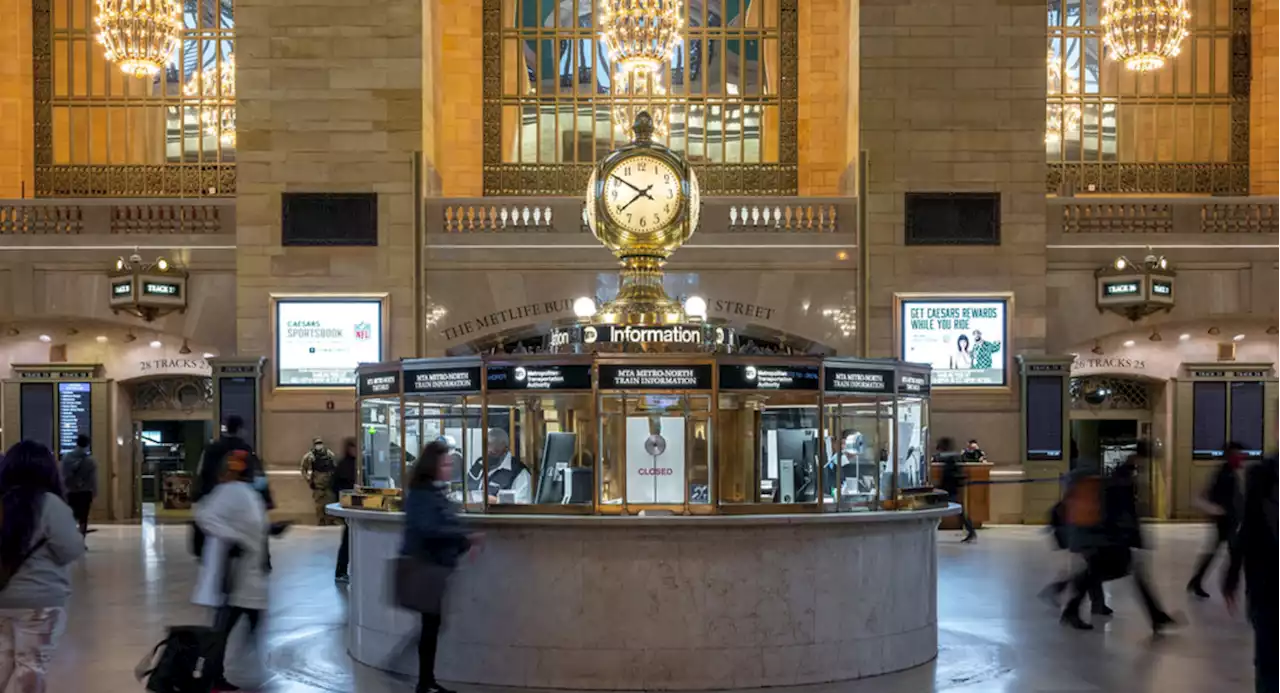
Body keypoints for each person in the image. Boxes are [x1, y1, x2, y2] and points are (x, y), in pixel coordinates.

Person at [1062, 443, 1176, 633]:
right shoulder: (1122, 476)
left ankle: (1156, 616)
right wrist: (1126, 535)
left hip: (1114, 536)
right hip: (1114, 537)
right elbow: (1120, 510)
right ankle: (1070, 607)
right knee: (1100, 573)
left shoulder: (1124, 473)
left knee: (1105, 573)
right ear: (1140, 457)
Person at [0, 440, 86, 691]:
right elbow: (70, 549)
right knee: (30, 665)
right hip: (40, 601)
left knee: (3, 662)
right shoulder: (50, 504)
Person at [402, 441, 477, 693]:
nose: (448, 468)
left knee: (432, 624)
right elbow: (430, 529)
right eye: (445, 464)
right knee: (430, 625)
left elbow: (444, 523)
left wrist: (464, 539)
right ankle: (424, 682)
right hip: (426, 566)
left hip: (434, 566)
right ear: (432, 465)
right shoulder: (423, 494)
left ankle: (426, 681)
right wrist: (465, 538)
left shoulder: (432, 491)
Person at [193, 450, 270, 692]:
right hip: (233, 575)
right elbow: (203, 516)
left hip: (248, 574)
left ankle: (215, 675)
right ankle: (210, 676)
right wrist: (234, 538)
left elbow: (254, 525)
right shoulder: (229, 492)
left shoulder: (246, 493)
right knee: (223, 628)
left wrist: (272, 530)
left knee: (236, 624)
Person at [1223, 451, 1280, 693]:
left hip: (1264, 586)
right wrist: (1233, 574)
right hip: (1267, 585)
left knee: (1268, 662)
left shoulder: (1260, 474)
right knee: (1268, 662)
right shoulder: (1261, 475)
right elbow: (1248, 527)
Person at [194, 415, 273, 571]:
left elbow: (202, 474)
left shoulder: (211, 448)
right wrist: (267, 499)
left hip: (216, 499)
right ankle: (264, 560)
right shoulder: (245, 449)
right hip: (241, 498)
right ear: (240, 429)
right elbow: (257, 476)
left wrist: (199, 495)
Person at [1188, 441, 1245, 599]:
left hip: (1229, 518)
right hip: (1226, 519)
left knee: (1217, 551)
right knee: (1234, 552)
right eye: (1238, 454)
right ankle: (1229, 587)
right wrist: (1218, 509)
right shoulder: (1225, 473)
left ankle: (1197, 580)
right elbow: (1214, 493)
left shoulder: (1230, 471)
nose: (1241, 457)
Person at [466, 429, 530, 504]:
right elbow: (466, 487)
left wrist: (496, 501)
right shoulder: (479, 464)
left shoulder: (519, 473)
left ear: (505, 450)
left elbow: (524, 504)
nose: (488, 457)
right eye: (485, 452)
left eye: (492, 453)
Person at [936, 437, 977, 543]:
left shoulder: (950, 458)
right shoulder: (954, 457)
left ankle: (971, 530)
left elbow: (948, 474)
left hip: (949, 488)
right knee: (960, 512)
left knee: (956, 511)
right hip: (952, 488)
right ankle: (971, 530)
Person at [59, 434, 97, 538]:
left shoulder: (66, 458)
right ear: (87, 444)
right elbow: (93, 479)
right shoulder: (90, 461)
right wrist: (94, 492)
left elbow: (63, 475)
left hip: (70, 492)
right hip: (85, 492)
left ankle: (70, 538)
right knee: (83, 517)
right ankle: (81, 539)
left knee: (70, 516)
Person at [334, 438, 358, 583]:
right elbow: (336, 485)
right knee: (347, 542)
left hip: (353, 506)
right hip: (349, 506)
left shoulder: (358, 464)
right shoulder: (344, 465)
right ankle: (341, 570)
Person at [301, 438, 339, 526]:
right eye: (317, 443)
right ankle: (321, 524)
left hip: (328, 487)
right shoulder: (310, 456)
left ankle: (330, 524)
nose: (319, 445)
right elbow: (303, 469)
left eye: (320, 443)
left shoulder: (329, 454)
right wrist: (308, 479)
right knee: (319, 509)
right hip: (318, 487)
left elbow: (335, 467)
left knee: (330, 508)